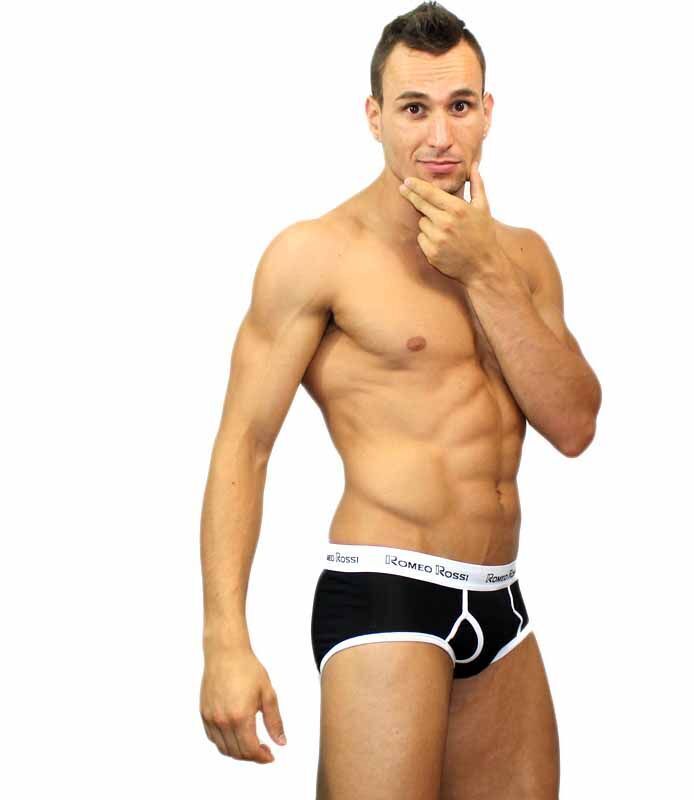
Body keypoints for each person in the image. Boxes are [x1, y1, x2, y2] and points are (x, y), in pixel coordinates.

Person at [199, 2, 602, 797]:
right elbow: (244, 443)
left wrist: (483, 271)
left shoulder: (524, 258)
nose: (440, 135)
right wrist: (224, 641)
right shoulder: (318, 254)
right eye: (415, 109)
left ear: (488, 112)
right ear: (374, 116)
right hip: (387, 589)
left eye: (459, 106)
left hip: (503, 603)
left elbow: (575, 424)